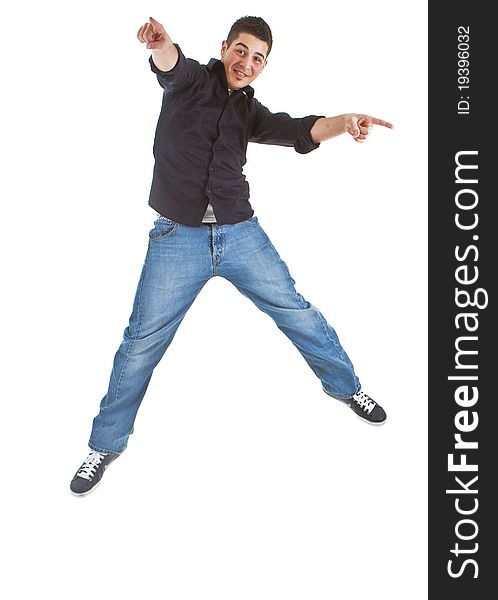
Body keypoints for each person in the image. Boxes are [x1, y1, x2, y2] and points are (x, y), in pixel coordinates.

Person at [70, 15, 393, 497]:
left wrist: (345, 123)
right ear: (225, 47)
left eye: (258, 58)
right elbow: (170, 65)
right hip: (178, 239)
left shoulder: (249, 111)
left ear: (263, 67)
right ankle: (104, 445)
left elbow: (298, 130)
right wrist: (161, 45)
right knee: (140, 344)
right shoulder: (192, 82)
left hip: (240, 233)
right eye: (241, 51)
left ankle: (349, 389)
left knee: (297, 312)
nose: (247, 63)